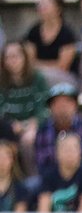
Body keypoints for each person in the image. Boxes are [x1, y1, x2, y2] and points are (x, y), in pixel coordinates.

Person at [0, 42, 49, 171]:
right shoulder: (1, 82)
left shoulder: (37, 79)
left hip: (33, 126)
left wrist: (33, 123)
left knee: (28, 140)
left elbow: (44, 107)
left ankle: (33, 178)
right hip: (7, 128)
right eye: (8, 57)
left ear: (24, 58)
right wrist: (10, 125)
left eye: (16, 56)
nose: (12, 61)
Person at [22, 0, 77, 87]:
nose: (41, 7)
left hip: (64, 79)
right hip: (38, 76)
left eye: (46, 4)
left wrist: (39, 66)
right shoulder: (33, 32)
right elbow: (29, 62)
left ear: (58, 8)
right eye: (41, 4)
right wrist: (48, 66)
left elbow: (62, 67)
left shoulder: (67, 34)